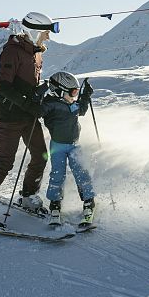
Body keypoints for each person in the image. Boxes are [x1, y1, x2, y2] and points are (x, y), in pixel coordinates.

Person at [0, 12, 59, 226]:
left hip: (29, 115)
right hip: (10, 116)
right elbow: (4, 86)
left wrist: (42, 92)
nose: (47, 37)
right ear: (34, 31)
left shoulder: (36, 52)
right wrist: (28, 102)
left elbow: (28, 83)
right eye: (46, 32)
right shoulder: (12, 51)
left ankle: (28, 196)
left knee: (41, 155)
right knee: (4, 163)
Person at [40, 72, 96, 227]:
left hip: (74, 144)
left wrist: (85, 95)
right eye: (73, 92)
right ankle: (55, 204)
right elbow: (37, 112)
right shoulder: (50, 104)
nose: (74, 95)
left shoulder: (72, 103)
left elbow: (82, 110)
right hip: (57, 146)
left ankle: (88, 202)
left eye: (76, 92)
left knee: (81, 172)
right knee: (57, 174)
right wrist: (37, 97)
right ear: (59, 91)